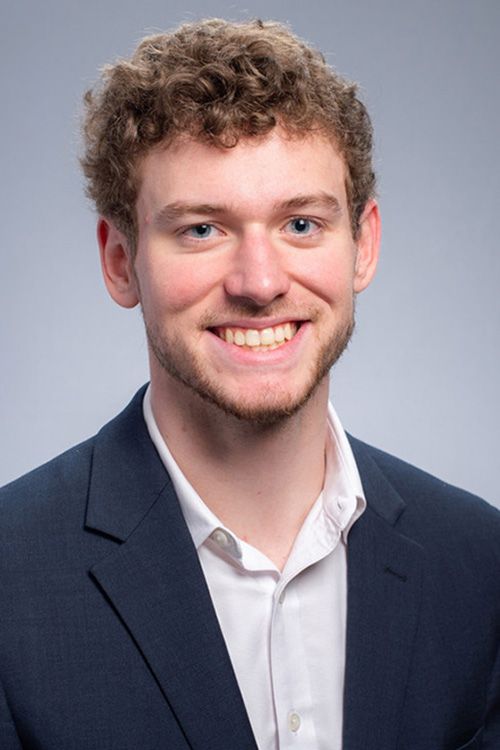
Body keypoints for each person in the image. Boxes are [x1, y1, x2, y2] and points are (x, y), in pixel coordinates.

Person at [0, 18, 498, 750]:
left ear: (363, 246)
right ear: (119, 261)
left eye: (301, 224)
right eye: (202, 230)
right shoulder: (11, 578)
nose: (260, 284)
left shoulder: (481, 564)